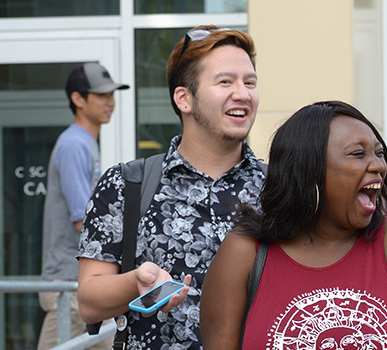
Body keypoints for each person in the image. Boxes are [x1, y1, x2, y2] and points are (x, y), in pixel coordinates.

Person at [76, 25, 265, 349]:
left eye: (250, 82)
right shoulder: (126, 184)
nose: (243, 93)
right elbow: (89, 300)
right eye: (225, 81)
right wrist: (136, 282)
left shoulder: (279, 187)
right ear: (184, 98)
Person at [200, 101, 387, 350]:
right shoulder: (246, 250)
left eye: (379, 153)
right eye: (358, 154)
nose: (378, 165)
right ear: (310, 172)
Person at [37, 62, 129, 350]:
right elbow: (83, 221)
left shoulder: (84, 143)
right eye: (101, 95)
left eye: (112, 95)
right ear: (78, 99)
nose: (110, 102)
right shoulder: (74, 144)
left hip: (79, 284)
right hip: (69, 283)